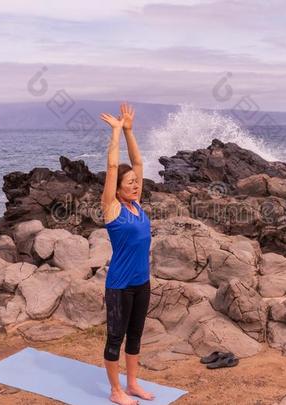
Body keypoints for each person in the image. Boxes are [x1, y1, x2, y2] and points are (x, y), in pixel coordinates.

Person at [100, 103, 155, 405]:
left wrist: (132, 131)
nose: (135, 185)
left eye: (136, 182)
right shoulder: (113, 209)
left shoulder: (136, 204)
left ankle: (132, 384)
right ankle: (115, 390)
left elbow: (138, 163)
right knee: (115, 339)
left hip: (141, 282)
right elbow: (112, 167)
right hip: (119, 286)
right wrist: (116, 133)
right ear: (118, 189)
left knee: (135, 337)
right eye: (130, 183)